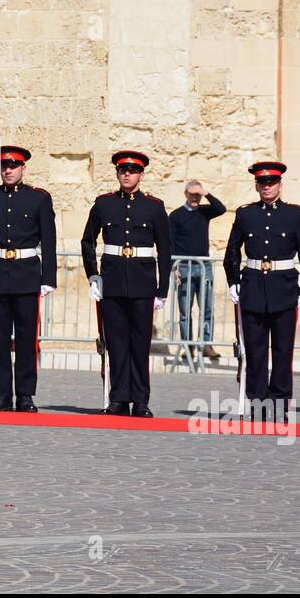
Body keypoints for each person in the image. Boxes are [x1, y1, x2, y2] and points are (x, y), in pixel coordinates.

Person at [81, 151, 172, 417]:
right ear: (117, 173)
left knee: (140, 343)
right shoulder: (103, 204)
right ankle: (119, 398)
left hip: (143, 283)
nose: (127, 175)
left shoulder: (154, 206)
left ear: (141, 174)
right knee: (116, 343)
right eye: (122, 170)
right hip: (113, 281)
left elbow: (165, 249)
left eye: (132, 171)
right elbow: (88, 240)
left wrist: (162, 288)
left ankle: (141, 400)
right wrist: (93, 275)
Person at [223, 161, 300, 419]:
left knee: (283, 351)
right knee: (255, 351)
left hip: (284, 289)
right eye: (262, 183)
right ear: (256, 185)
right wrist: (233, 282)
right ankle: (258, 403)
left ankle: (280, 404)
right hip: (253, 288)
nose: (266, 187)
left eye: (271, 182)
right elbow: (231, 252)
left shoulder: (294, 215)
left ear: (280, 185)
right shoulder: (245, 214)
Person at [0, 145, 56, 412]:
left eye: (13, 166)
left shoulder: (39, 198)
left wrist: (48, 277)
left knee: (26, 338)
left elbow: (49, 241)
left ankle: (25, 394)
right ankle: (2, 395)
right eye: (4, 166)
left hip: (26, 273)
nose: (8, 170)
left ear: (23, 169)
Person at [169, 180, 225, 361]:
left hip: (204, 267)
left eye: (198, 195)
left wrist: (205, 192)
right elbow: (170, 242)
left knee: (207, 308)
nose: (195, 198)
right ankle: (188, 346)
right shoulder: (176, 215)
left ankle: (207, 344)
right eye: (192, 194)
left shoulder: (204, 212)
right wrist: (173, 267)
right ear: (185, 194)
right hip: (184, 267)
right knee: (185, 311)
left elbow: (221, 208)